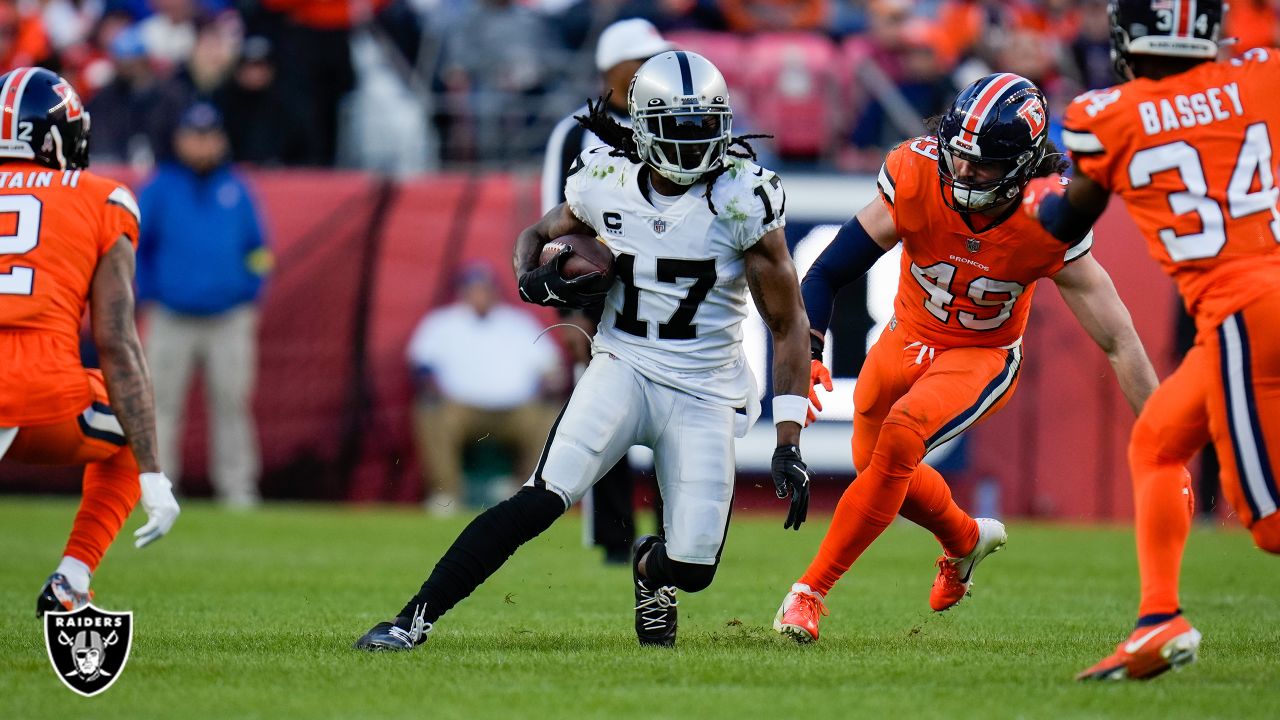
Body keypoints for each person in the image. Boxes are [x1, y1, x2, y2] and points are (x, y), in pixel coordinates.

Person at [356, 51, 812, 651]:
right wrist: (530, 279)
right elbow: (535, 236)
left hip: (705, 386)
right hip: (624, 364)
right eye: (678, 125)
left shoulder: (741, 197)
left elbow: (788, 323)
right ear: (645, 125)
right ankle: (411, 620)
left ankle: (651, 569)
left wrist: (789, 441)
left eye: (703, 124)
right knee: (540, 500)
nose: (694, 141)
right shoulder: (605, 178)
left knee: (695, 570)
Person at [774, 73, 1159, 643]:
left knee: (901, 440)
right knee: (875, 465)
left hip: (980, 352)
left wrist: (1161, 433)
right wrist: (808, 353)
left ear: (1023, 165)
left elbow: (1120, 339)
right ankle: (964, 539)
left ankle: (809, 592)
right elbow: (827, 271)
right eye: (958, 155)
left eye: (982, 164)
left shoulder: (1047, 218)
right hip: (905, 337)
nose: (963, 172)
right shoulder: (917, 173)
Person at [1025, 0, 1280, 681]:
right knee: (1159, 441)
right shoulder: (1264, 75)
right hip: (1252, 308)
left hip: (1244, 314)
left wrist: (1035, 204)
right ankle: (1158, 619)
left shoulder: (1106, 116)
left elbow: (1065, 217)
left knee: (1270, 524)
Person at [0, 68, 180, 615]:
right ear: (60, 138)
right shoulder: (102, 198)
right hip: (33, 391)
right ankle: (71, 579)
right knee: (130, 423)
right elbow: (117, 341)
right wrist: (152, 473)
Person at [540, 17, 673, 565]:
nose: (648, 72)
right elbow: (555, 219)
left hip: (665, 289)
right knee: (603, 417)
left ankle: (675, 533)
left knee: (673, 415)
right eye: (639, 62)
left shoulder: (672, 122)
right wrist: (572, 305)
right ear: (610, 70)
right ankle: (616, 537)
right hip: (600, 290)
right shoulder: (577, 130)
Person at [137, 102, 270, 508]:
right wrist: (148, 296)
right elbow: (137, 247)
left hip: (228, 317)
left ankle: (237, 489)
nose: (201, 144)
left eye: (209, 136)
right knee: (159, 407)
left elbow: (259, 251)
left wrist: (251, 292)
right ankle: (155, 490)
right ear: (179, 140)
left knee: (232, 404)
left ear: (221, 139)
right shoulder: (160, 186)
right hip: (171, 315)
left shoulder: (237, 187)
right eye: (194, 136)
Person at [406, 263, 562, 514]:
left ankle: (525, 491)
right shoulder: (442, 324)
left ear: (496, 292)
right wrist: (432, 390)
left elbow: (550, 367)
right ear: (463, 292)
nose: (480, 295)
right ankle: (447, 495)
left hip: (516, 410)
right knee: (429, 412)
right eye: (474, 289)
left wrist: (551, 383)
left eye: (485, 289)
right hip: (460, 409)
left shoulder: (518, 323)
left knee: (552, 417)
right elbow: (421, 365)